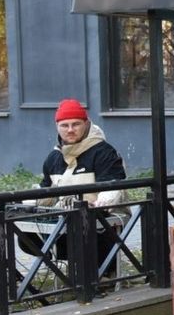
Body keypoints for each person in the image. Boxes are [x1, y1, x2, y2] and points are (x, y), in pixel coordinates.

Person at [22, 99, 128, 272]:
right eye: (64, 125)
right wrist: (24, 204)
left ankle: (102, 273)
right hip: (66, 220)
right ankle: (75, 273)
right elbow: (46, 192)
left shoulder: (104, 152)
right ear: (57, 127)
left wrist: (100, 204)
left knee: (80, 231)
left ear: (86, 123)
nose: (70, 130)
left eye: (76, 124)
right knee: (24, 235)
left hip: (103, 222)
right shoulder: (53, 157)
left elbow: (113, 187)